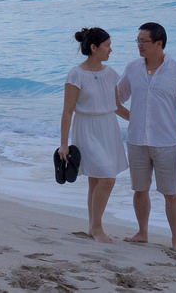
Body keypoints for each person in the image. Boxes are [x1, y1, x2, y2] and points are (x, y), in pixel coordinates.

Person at [116, 22, 176, 253]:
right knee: (139, 189)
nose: (139, 46)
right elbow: (116, 99)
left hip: (165, 142)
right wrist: (132, 118)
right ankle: (142, 233)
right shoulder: (132, 68)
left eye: (143, 41)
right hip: (136, 140)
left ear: (159, 43)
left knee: (171, 193)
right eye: (138, 41)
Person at [59, 26, 130, 243]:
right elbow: (67, 111)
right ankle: (98, 227)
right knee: (107, 179)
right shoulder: (76, 74)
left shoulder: (110, 74)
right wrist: (64, 145)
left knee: (96, 181)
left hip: (108, 128)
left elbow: (116, 106)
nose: (111, 50)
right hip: (87, 129)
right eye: (107, 45)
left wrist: (140, 122)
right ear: (93, 47)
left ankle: (92, 227)